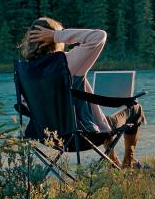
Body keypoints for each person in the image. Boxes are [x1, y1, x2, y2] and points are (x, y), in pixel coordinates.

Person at [20, 17, 145, 168]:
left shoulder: (26, 71)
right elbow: (99, 36)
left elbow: (25, 105)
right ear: (51, 38)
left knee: (99, 119)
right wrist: (56, 35)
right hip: (80, 136)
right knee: (135, 108)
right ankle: (128, 164)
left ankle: (114, 164)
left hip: (47, 137)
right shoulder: (65, 63)